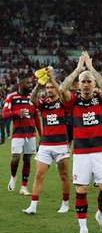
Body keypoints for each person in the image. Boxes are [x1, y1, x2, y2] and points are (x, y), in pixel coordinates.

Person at [60, 51, 102, 233]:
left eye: (89, 81)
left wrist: (91, 69)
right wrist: (77, 70)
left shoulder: (101, 99)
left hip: (100, 151)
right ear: (78, 85)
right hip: (81, 152)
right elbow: (61, 89)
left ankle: (100, 214)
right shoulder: (74, 102)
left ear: (94, 84)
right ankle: (83, 229)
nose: (87, 84)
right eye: (83, 82)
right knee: (81, 190)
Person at [22, 67, 71, 214]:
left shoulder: (63, 102)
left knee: (63, 176)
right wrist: (40, 83)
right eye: (48, 87)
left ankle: (65, 203)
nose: (49, 90)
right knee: (39, 175)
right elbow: (32, 100)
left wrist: (53, 78)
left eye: (51, 87)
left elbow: (63, 93)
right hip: (45, 145)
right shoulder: (43, 103)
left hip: (61, 145)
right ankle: (33, 206)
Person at [2, 73, 41, 195]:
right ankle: (13, 178)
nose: (30, 85)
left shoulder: (32, 98)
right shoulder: (12, 97)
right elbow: (4, 114)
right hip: (18, 133)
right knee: (15, 158)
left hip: (31, 134)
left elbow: (36, 118)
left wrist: (42, 135)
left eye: (31, 83)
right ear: (20, 83)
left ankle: (24, 187)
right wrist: (17, 112)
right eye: (28, 83)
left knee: (27, 160)